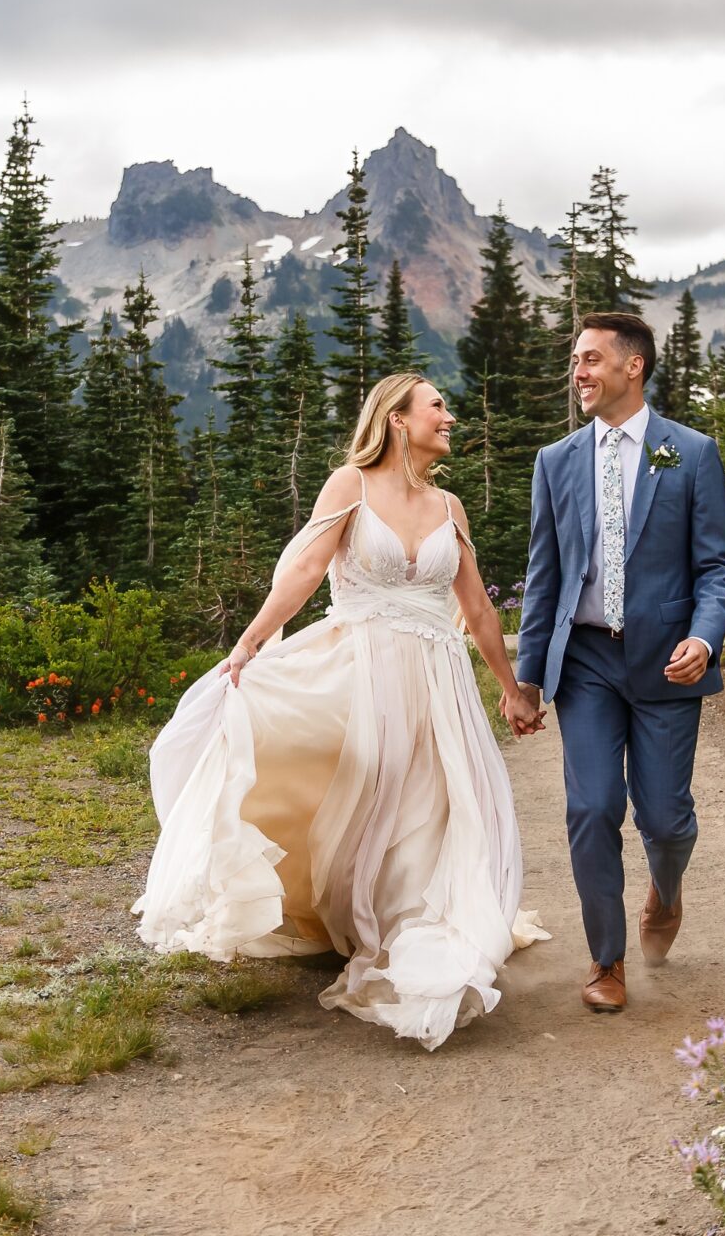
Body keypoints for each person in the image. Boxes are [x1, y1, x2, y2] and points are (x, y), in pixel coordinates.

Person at [134, 372, 548, 1049]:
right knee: (373, 781)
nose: (449, 417)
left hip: (438, 677)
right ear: (396, 420)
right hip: (362, 664)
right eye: (437, 407)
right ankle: (356, 913)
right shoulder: (348, 486)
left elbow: (476, 609)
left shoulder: (450, 505)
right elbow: (302, 571)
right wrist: (250, 642)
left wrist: (509, 686)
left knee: (445, 796)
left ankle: (416, 918)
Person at [514, 312, 725, 1014]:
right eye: (574, 361)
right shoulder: (555, 462)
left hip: (668, 663)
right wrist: (526, 678)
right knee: (591, 807)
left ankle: (664, 892)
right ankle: (606, 959)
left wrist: (702, 639)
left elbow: (719, 569)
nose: (577, 372)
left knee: (667, 820)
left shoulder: (691, 453)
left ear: (631, 366)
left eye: (588, 359)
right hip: (584, 662)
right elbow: (543, 577)